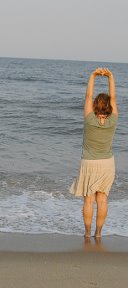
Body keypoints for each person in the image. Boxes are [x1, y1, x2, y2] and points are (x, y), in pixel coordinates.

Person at [70, 67, 118, 238]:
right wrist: (110, 77)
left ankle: (87, 232)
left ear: (95, 105)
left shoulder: (89, 119)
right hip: (106, 163)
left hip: (89, 163)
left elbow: (88, 96)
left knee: (89, 200)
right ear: (110, 108)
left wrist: (93, 76)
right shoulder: (113, 120)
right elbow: (113, 97)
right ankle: (98, 233)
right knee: (102, 200)